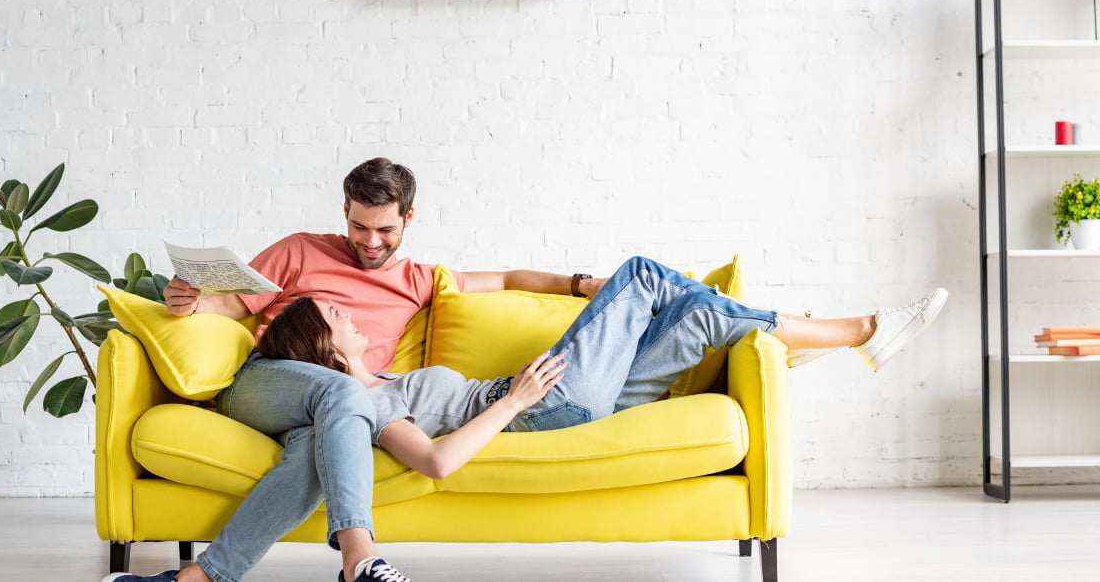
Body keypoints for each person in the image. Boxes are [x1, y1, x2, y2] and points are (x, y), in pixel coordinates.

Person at [103, 158, 609, 582]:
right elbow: (232, 307)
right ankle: (358, 559)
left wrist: (580, 284)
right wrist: (188, 306)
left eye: (385, 229)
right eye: (359, 226)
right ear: (345, 212)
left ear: (409, 219)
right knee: (346, 393)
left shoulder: (416, 279)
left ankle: (195, 579)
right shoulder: (300, 250)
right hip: (266, 383)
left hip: (341, 408)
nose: (370, 242)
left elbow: (504, 277)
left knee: (321, 443)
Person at [261, 255, 948, 479]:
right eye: (336, 318)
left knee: (707, 317)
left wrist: (577, 285)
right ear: (326, 349)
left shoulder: (379, 377)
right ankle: (859, 329)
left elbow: (494, 276)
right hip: (543, 402)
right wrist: (514, 399)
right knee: (645, 273)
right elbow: (436, 462)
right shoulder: (366, 407)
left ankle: (856, 339)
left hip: (580, 398)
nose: (351, 318)